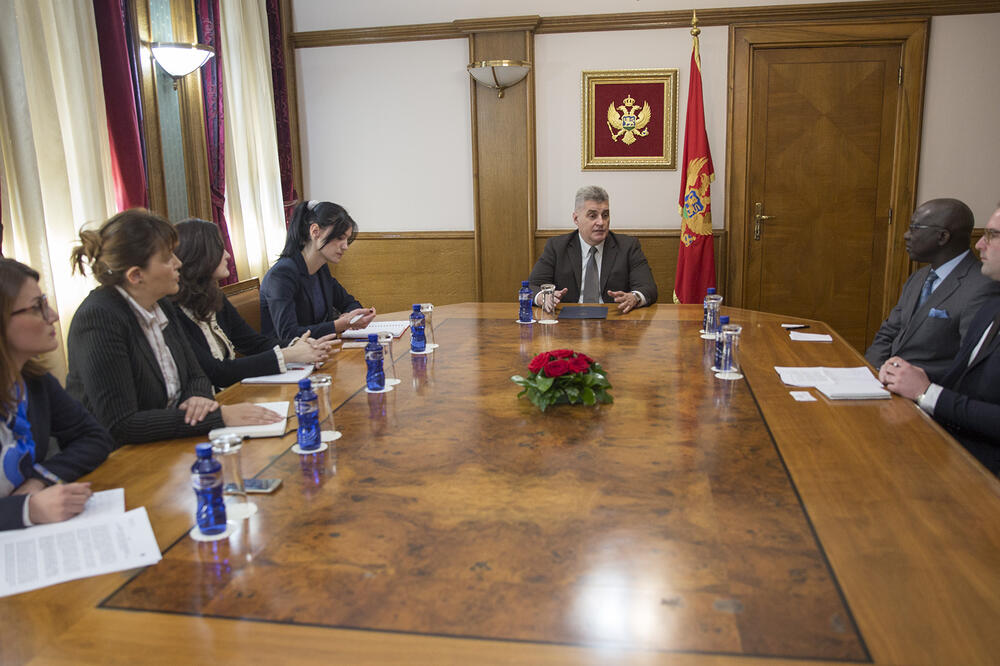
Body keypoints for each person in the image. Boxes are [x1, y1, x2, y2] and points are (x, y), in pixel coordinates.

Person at [66, 209, 281, 447]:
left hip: (169, 441)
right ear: (136, 275)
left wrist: (197, 398)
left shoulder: (162, 305)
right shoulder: (99, 319)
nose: (178, 263)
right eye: (168, 258)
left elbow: (196, 374)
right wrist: (217, 416)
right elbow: (121, 424)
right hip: (118, 459)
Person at [881, 204, 1000, 475]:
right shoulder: (993, 306)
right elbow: (962, 380)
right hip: (947, 435)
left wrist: (926, 392)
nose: (980, 243)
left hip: (981, 466)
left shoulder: (980, 292)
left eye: (992, 235)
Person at [1, 259, 113, 530]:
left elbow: (95, 438)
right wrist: (26, 509)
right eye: (37, 307)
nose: (52, 315)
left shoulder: (34, 382)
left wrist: (39, 479)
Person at [173, 219, 338, 390]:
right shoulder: (175, 312)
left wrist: (301, 346)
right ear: (198, 255)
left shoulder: (214, 297)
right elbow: (218, 372)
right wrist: (287, 355)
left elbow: (254, 343)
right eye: (219, 249)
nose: (228, 255)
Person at [865, 198, 1000, 381]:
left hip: (927, 395)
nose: (906, 235)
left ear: (943, 237)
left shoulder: (983, 286)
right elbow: (888, 332)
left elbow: (967, 364)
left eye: (914, 228)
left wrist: (920, 389)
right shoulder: (919, 277)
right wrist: (872, 372)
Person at [528, 186, 657, 313]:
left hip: (615, 321)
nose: (601, 222)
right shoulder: (557, 247)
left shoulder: (628, 246)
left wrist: (634, 297)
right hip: (567, 322)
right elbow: (531, 286)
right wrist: (543, 297)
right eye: (592, 216)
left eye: (605, 215)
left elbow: (648, 288)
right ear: (576, 219)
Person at [260, 200, 375, 343]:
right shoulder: (282, 274)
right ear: (315, 231)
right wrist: (341, 324)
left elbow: (348, 302)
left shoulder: (321, 269)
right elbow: (289, 334)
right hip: (288, 360)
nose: (345, 246)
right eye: (340, 238)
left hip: (317, 352)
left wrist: (353, 315)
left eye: (347, 239)